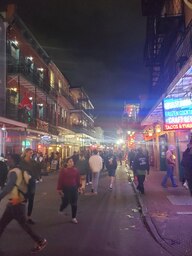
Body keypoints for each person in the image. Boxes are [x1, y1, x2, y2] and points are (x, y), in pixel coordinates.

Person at [0, 154, 47, 253]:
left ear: (13, 160)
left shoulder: (13, 172)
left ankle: (40, 240)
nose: (7, 161)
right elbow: (30, 184)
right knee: (4, 224)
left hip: (15, 204)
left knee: (22, 225)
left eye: (9, 159)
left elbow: (8, 188)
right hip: (17, 203)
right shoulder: (22, 171)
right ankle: (40, 241)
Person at [57, 157, 80, 224]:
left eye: (72, 161)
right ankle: (61, 209)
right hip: (65, 188)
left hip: (74, 188)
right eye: (69, 161)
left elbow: (77, 179)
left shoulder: (76, 170)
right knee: (65, 201)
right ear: (66, 163)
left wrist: (79, 187)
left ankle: (73, 217)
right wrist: (59, 189)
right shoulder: (63, 170)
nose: (71, 162)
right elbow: (60, 180)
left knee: (74, 203)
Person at [20, 148, 40, 224]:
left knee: (31, 200)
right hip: (24, 182)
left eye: (32, 153)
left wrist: (36, 177)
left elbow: (36, 169)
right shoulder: (21, 162)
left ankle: (29, 217)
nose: (31, 154)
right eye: (30, 153)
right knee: (23, 200)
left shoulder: (33, 161)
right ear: (26, 153)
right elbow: (19, 170)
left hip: (32, 182)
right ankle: (22, 217)